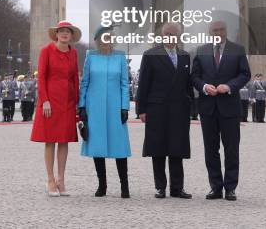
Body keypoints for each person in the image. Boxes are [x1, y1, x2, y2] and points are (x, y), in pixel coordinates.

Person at [191, 21, 251, 202]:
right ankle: (215, 187)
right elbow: (194, 76)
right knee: (211, 149)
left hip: (230, 108)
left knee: (231, 149)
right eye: (215, 30)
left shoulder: (238, 49)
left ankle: (230, 188)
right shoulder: (201, 51)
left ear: (226, 31)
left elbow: (245, 74)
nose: (219, 32)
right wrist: (204, 86)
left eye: (221, 29)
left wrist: (229, 86)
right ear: (210, 32)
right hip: (208, 108)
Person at [136, 22, 192, 199]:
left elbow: (188, 85)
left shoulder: (184, 56)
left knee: (177, 148)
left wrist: (192, 108)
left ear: (178, 36)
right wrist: (141, 109)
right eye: (167, 34)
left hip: (179, 109)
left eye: (173, 34)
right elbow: (143, 84)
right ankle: (160, 186)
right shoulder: (151, 55)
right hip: (157, 108)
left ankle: (177, 188)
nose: (170, 37)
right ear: (161, 35)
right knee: (158, 148)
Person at [78, 26, 131, 199]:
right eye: (103, 37)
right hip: (95, 107)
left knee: (119, 146)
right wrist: (82, 106)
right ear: (98, 40)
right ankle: (102, 185)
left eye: (109, 37)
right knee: (98, 145)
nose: (106, 40)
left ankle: (125, 185)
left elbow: (125, 84)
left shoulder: (120, 57)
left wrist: (125, 106)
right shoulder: (90, 57)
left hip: (115, 106)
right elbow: (84, 83)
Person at [30, 21, 81, 196]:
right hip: (50, 101)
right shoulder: (46, 51)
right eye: (62, 31)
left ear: (71, 35)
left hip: (67, 101)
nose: (65, 34)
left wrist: (77, 102)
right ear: (56, 34)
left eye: (68, 31)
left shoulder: (73, 53)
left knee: (64, 140)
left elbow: (75, 78)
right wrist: (44, 100)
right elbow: (41, 77)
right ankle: (50, 180)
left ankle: (61, 180)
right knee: (50, 140)